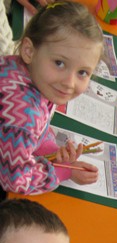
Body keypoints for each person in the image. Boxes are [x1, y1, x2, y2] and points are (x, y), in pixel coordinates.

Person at [0, 0, 104, 199]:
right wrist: (62, 171)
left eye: (82, 72)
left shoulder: (23, 70)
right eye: (59, 63)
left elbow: (30, 132)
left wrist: (51, 151)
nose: (69, 83)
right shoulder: (23, 118)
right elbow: (16, 180)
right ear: (29, 51)